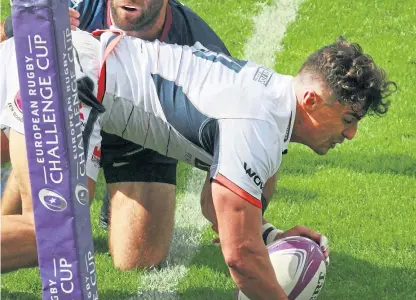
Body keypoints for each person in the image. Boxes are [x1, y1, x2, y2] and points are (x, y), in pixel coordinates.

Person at [0, 28, 396, 299]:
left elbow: (217, 211)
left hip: (67, 61)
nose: (350, 135)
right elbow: (239, 256)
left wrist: (270, 236)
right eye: (348, 119)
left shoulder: (272, 104)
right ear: (311, 101)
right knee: (55, 233)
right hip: (64, 77)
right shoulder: (257, 124)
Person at [0, 0, 231, 269]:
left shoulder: (199, 47)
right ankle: (22, 180)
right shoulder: (79, 1)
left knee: (138, 259)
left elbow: (242, 129)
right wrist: (19, 23)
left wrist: (247, 221)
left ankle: (109, 195)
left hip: (139, 144)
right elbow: (6, 39)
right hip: (67, 120)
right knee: (49, 223)